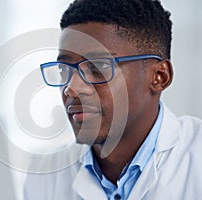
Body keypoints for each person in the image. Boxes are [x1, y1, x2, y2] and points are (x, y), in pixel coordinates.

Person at [23, 0, 202, 199]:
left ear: (159, 76)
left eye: (98, 67)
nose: (71, 89)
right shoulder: (44, 175)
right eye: (64, 69)